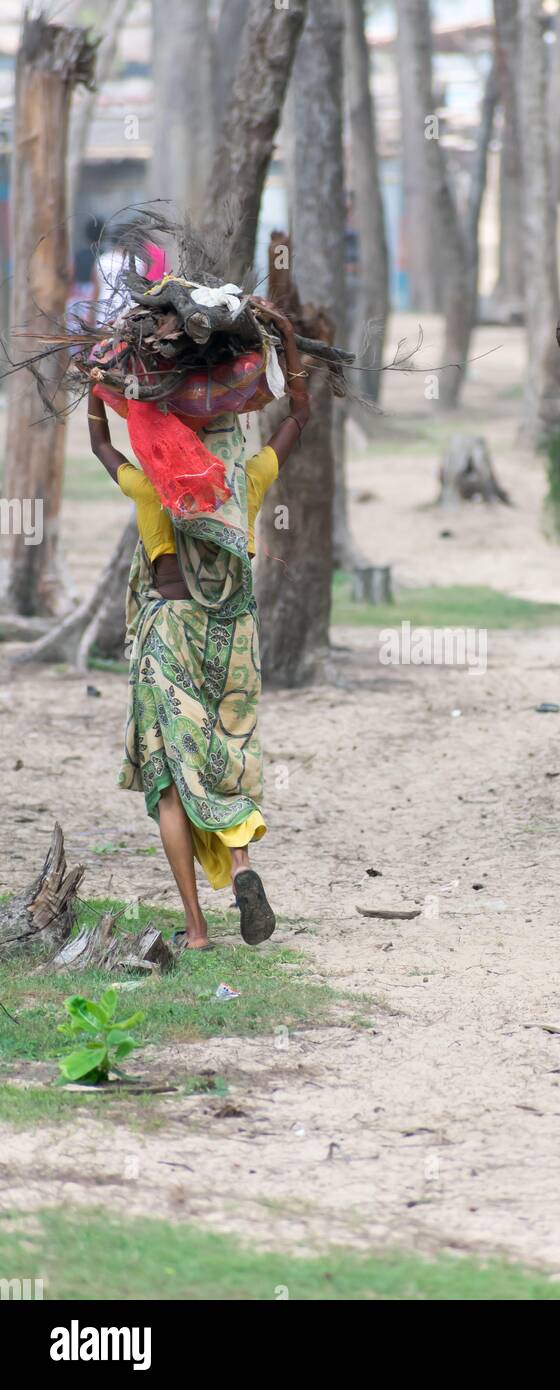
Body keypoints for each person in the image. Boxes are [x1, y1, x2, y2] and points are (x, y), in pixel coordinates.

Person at [87, 312, 310, 950]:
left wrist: (98, 388)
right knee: (226, 759)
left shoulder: (154, 488)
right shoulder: (247, 483)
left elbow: (103, 449)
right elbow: (299, 417)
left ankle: (195, 927)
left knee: (168, 779)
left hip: (169, 633)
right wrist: (289, 344)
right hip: (231, 633)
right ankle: (242, 867)